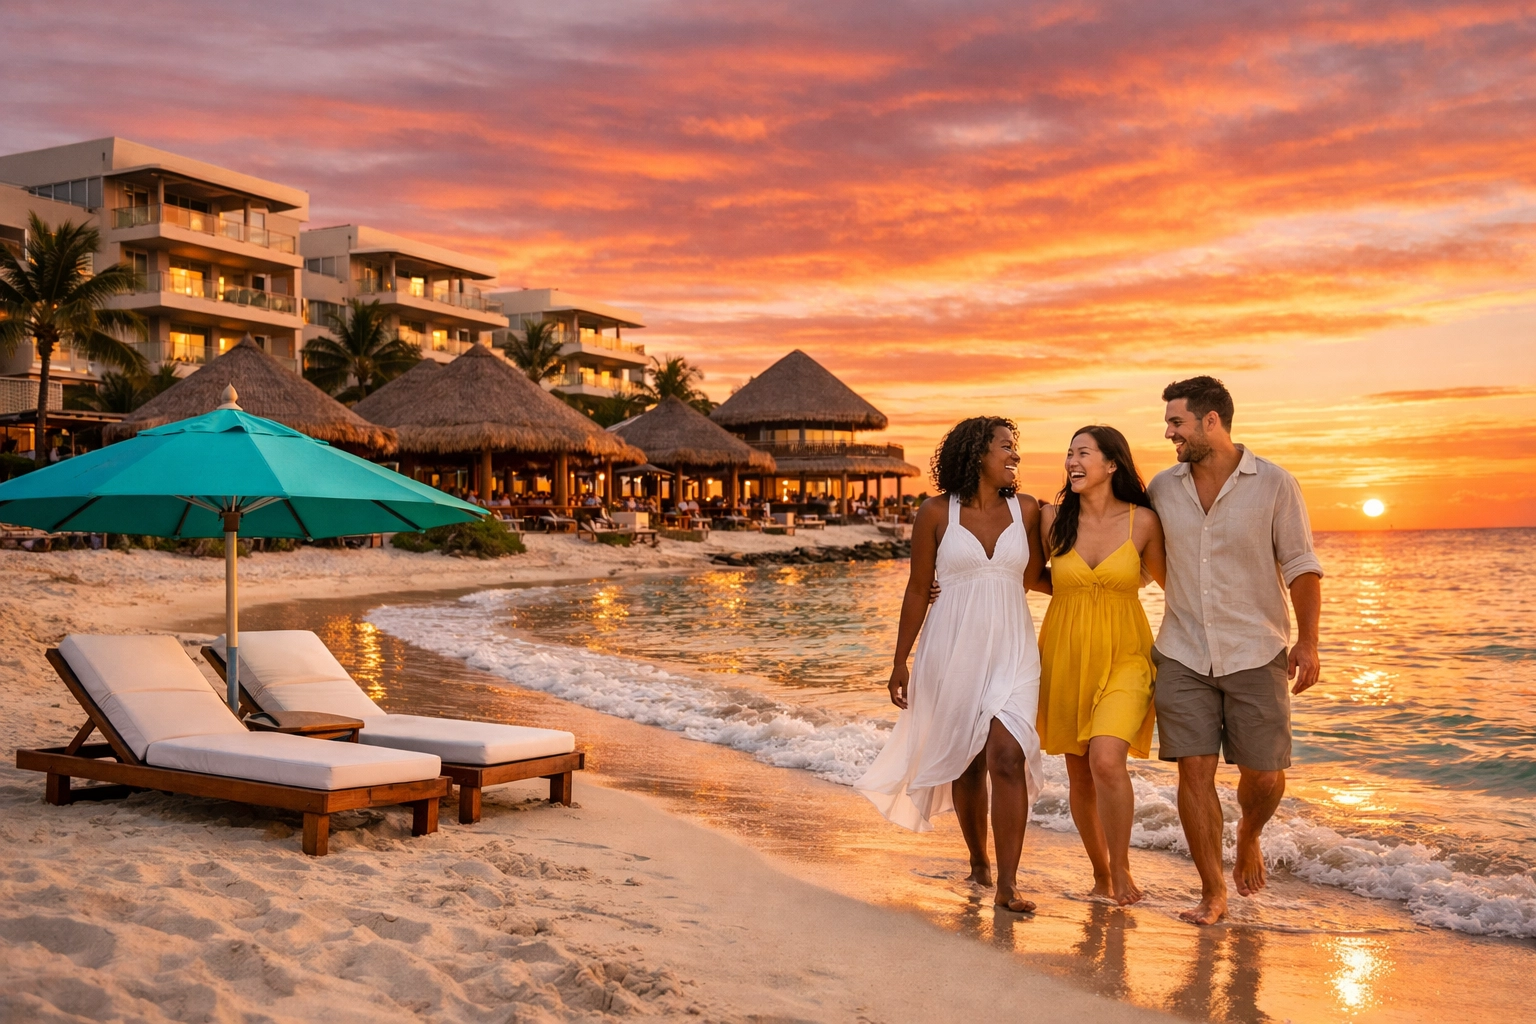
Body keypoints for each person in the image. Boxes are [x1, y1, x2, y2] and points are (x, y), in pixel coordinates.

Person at [856, 416, 1048, 913]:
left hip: (1013, 649)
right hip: (951, 646)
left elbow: (1037, 577)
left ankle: (1008, 883)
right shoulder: (936, 513)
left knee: (1007, 753)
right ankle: (978, 861)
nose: (1015, 456)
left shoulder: (1026, 510)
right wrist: (900, 660)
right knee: (968, 760)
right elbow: (919, 587)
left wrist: (1103, 588)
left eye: (1015, 448)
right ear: (976, 453)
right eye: (1006, 447)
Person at [1149, 376, 1322, 925]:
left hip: (1256, 650)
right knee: (1193, 771)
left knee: (1266, 775)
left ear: (1211, 421)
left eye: (1176, 422)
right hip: (1181, 651)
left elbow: (1301, 565)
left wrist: (1309, 641)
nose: (1169, 432)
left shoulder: (1274, 484)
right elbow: (1117, 536)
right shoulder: (1161, 487)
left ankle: (1248, 833)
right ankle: (1211, 890)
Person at [1036, 426, 1165, 906]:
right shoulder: (1051, 519)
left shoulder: (1144, 523)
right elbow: (1025, 574)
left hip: (1127, 655)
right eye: (1068, 452)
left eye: (1083, 453)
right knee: (1079, 775)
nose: (1072, 460)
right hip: (1066, 652)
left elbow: (1181, 591)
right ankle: (1100, 875)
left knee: (1107, 760)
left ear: (1112, 464)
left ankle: (1122, 866)